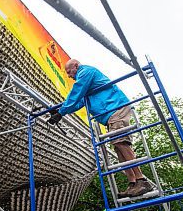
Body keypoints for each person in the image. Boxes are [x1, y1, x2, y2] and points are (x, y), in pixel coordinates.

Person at [47, 59, 153, 198]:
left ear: (76, 66)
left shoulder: (86, 72)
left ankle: (142, 180)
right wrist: (60, 109)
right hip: (110, 113)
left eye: (69, 71)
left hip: (116, 108)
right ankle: (133, 183)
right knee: (118, 147)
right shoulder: (87, 84)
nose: (69, 75)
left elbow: (76, 92)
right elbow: (79, 102)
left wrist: (61, 113)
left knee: (121, 142)